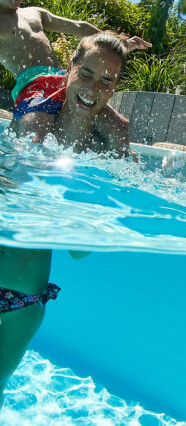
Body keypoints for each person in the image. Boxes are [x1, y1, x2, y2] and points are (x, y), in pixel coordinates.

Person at [0, 32, 130, 409]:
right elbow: (19, 192)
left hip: (23, 301)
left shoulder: (113, 134)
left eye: (107, 81)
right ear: (70, 69)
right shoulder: (38, 119)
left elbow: (80, 251)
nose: (93, 87)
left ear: (115, 88)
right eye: (86, 73)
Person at [0, 0, 150, 143]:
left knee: (120, 125)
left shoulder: (34, 13)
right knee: (36, 132)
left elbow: (79, 27)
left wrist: (120, 43)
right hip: (34, 85)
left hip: (66, 80)